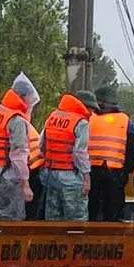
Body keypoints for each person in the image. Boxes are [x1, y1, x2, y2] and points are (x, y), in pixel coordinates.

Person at [0, 74, 40, 220]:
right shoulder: (16, 120)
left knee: (2, 216)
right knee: (15, 221)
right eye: (29, 97)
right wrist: (26, 184)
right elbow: (18, 155)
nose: (30, 101)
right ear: (23, 97)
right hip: (9, 174)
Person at [40, 90, 98, 221]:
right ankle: (75, 242)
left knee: (53, 220)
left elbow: (41, 144)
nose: (91, 113)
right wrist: (86, 177)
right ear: (84, 106)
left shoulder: (53, 116)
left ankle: (53, 241)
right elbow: (79, 153)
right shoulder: (81, 123)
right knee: (76, 221)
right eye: (91, 109)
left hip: (50, 174)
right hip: (71, 176)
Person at [88, 85, 134, 222]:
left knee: (91, 209)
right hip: (115, 172)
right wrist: (127, 172)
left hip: (91, 170)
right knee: (114, 212)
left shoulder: (88, 117)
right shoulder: (125, 120)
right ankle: (113, 239)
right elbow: (132, 150)